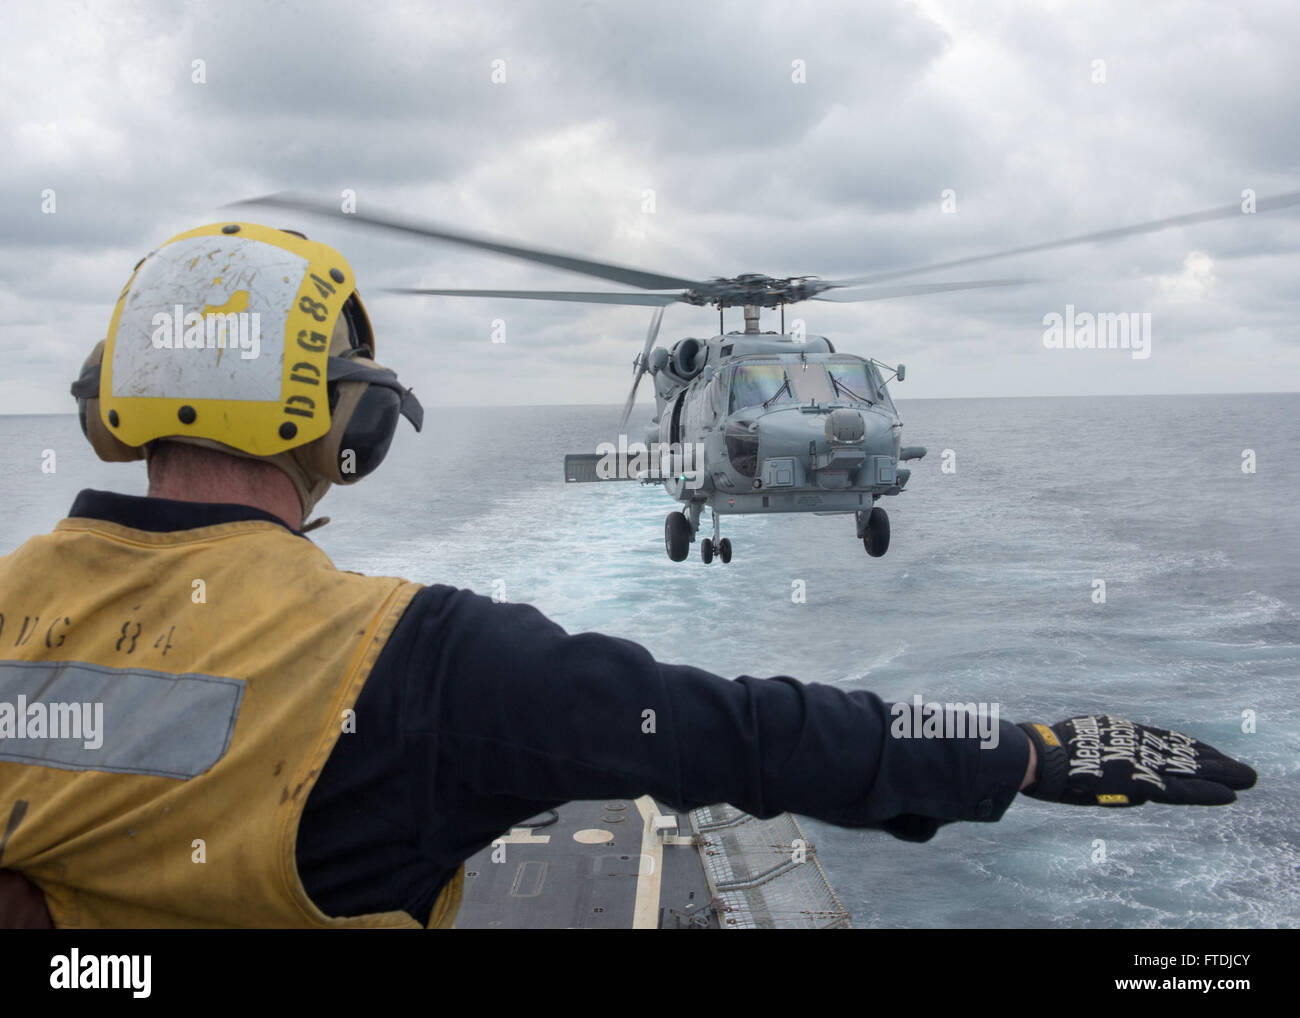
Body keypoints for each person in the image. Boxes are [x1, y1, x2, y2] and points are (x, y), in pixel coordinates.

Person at [0, 223, 1257, 928]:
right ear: (343, 426)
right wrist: (1027, 752)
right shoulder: (419, 663)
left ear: (112, 407)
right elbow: (753, 736)